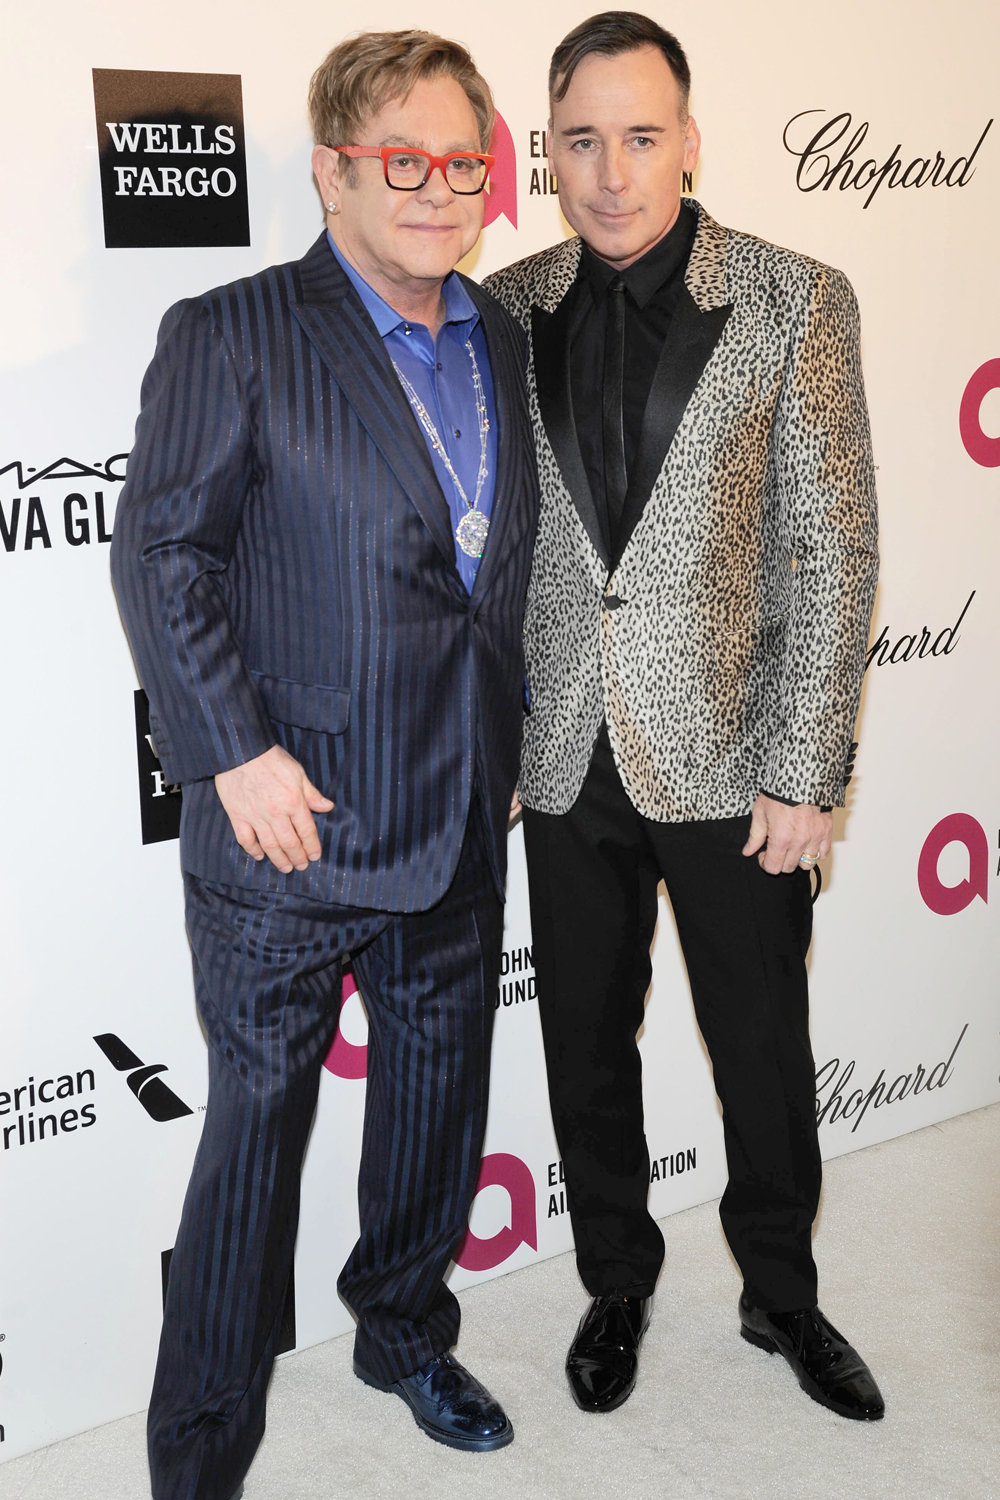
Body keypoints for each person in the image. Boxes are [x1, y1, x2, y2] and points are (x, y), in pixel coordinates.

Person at [112, 30, 538, 1499]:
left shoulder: (502, 334)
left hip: (459, 806)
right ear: (332, 170)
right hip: (289, 833)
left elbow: (489, 574)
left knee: (436, 1106)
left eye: (460, 162)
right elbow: (165, 556)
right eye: (400, 162)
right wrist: (231, 757)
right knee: (249, 1162)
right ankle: (199, 1448)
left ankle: (404, 1327)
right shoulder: (231, 330)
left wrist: (514, 748)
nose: (437, 190)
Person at [485, 11, 882, 1422]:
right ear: (547, 152)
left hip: (735, 760)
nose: (609, 171)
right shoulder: (501, 304)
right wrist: (498, 736)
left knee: (761, 1047)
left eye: (639, 136)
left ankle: (782, 1297)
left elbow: (831, 549)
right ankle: (615, 1279)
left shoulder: (795, 297)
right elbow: (493, 544)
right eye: (579, 141)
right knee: (584, 1041)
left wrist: (805, 767)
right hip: (566, 754)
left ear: (691, 140)